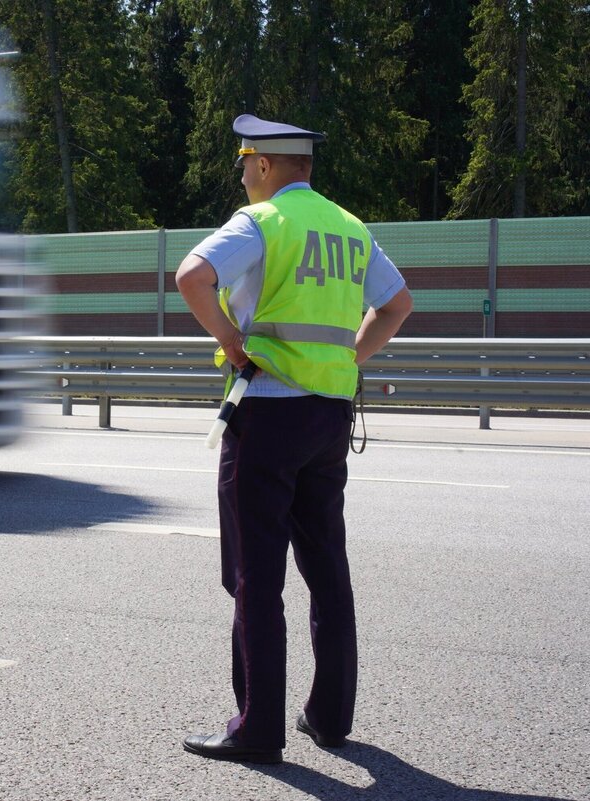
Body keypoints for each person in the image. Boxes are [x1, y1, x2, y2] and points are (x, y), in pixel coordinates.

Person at [176, 114, 413, 765]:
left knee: (256, 576)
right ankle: (329, 717)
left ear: (262, 165)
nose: (244, 178)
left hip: (268, 414)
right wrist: (350, 361)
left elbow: (191, 277)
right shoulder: (350, 228)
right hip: (329, 418)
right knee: (326, 567)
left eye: (243, 167)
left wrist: (232, 343)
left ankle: (257, 726)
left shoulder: (261, 223)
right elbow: (398, 304)